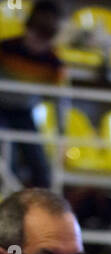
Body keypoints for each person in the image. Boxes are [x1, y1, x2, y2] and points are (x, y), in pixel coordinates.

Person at [0, 0, 64, 189]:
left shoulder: (54, 62)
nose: (38, 41)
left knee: (40, 166)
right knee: (7, 162)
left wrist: (62, 134)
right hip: (1, 110)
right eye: (36, 33)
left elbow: (60, 99)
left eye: (44, 36)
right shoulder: (6, 49)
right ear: (28, 27)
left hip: (24, 113)